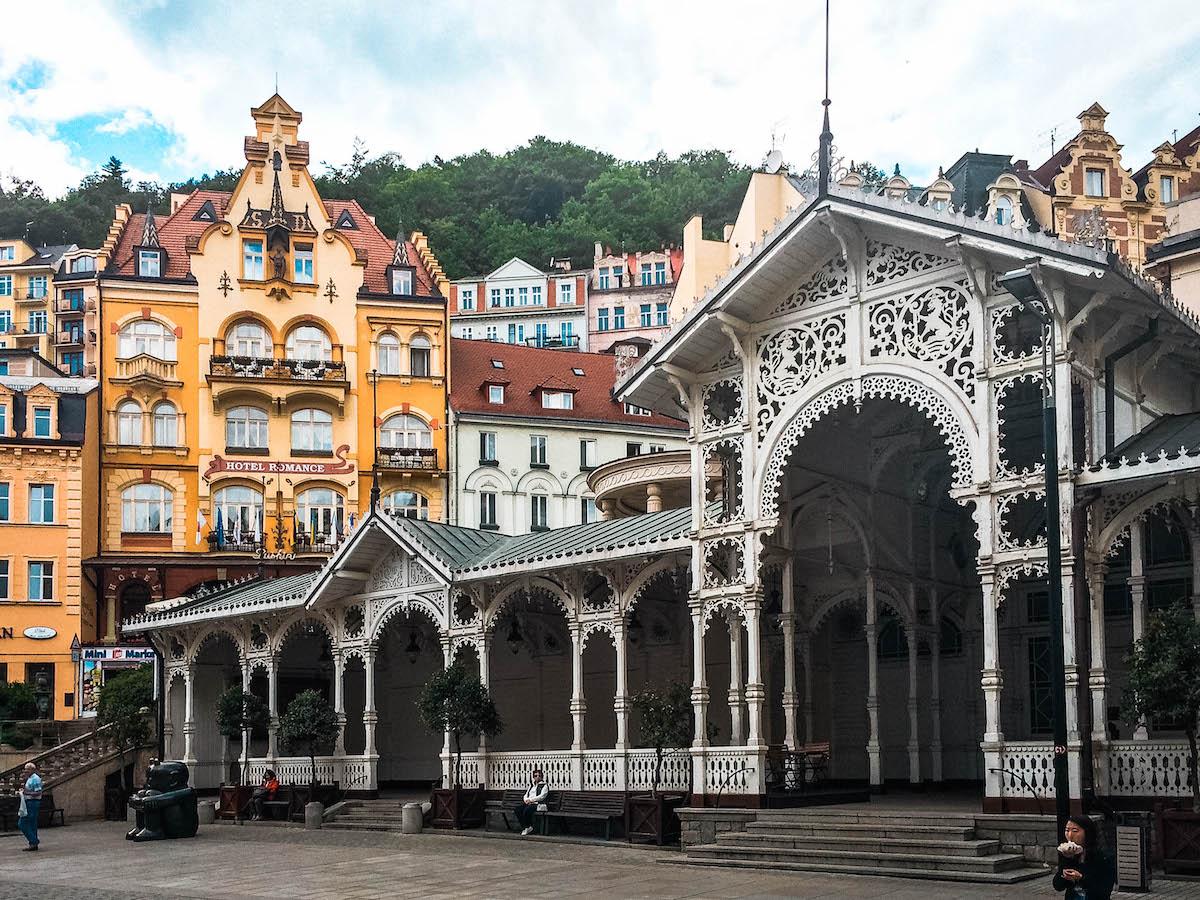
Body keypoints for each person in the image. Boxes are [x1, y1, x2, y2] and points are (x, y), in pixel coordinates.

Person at [1052, 813, 1115, 900]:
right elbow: (1058, 886)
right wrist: (1067, 860)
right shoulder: (1069, 854)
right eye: (1067, 830)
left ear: (1087, 832)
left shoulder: (1102, 855)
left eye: (1075, 831)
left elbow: (1103, 891)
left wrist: (1081, 878)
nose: (1070, 835)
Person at [513, 768, 548, 836]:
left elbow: (542, 796)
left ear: (542, 777)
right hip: (529, 803)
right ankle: (526, 827)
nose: (537, 777)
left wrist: (531, 800)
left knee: (527, 810)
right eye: (535, 775)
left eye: (539, 775)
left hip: (537, 804)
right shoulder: (531, 785)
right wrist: (526, 800)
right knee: (517, 809)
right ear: (533, 777)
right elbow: (526, 794)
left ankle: (527, 827)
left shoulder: (544, 785)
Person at [18, 762, 42, 851]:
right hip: (30, 802)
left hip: (33, 802)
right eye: (25, 769)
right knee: (32, 824)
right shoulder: (30, 778)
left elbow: (38, 792)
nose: (26, 771)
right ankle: (33, 844)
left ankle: (34, 841)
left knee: (22, 823)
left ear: (33, 769)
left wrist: (26, 793)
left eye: (28, 769)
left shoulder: (35, 779)